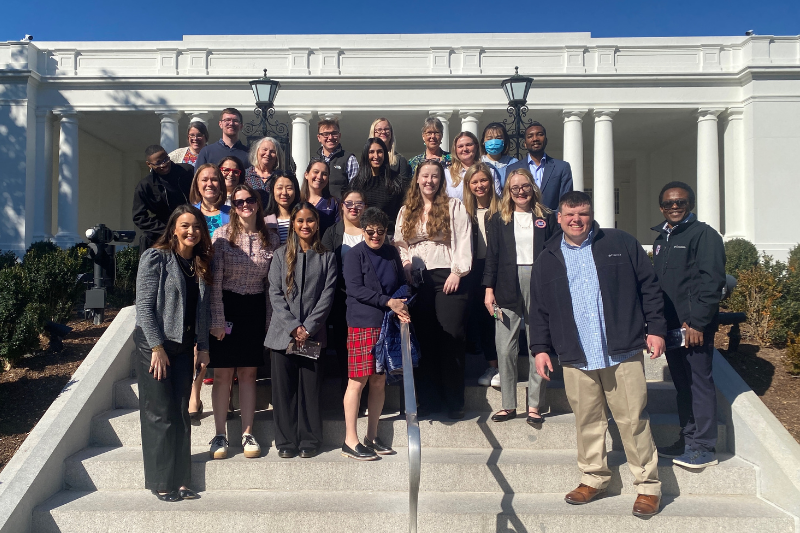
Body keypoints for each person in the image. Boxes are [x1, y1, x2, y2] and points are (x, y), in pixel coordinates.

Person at [531, 191, 666, 517]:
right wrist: (539, 349)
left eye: (583, 214)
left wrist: (657, 328)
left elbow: (649, 286)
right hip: (577, 355)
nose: (576, 220)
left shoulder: (620, 242)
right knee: (588, 421)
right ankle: (593, 479)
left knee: (633, 420)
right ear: (559, 218)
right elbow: (538, 309)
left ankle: (648, 487)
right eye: (570, 215)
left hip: (621, 350)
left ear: (591, 216)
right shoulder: (547, 256)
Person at [133, 204, 211, 502]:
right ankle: (161, 482)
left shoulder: (200, 263)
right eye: (185, 225)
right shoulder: (156, 257)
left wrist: (202, 347)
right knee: (159, 413)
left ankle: (181, 480)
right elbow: (144, 307)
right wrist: (156, 347)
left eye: (196, 226)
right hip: (155, 346)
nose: (191, 231)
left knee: (180, 413)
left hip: (183, 346)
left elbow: (202, 311)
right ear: (174, 228)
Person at [652, 181, 726, 469]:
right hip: (670, 327)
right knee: (683, 385)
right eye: (669, 203)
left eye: (680, 202)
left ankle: (704, 448)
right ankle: (688, 438)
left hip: (694, 328)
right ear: (661, 207)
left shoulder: (704, 235)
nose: (674, 207)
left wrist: (697, 322)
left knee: (699, 384)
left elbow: (711, 282)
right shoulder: (662, 239)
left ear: (690, 205)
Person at [207, 184, 280, 460]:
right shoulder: (222, 235)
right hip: (228, 308)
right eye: (238, 202)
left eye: (250, 200)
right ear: (233, 206)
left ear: (258, 203)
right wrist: (216, 318)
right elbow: (214, 284)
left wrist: (271, 322)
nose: (245, 205)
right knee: (224, 373)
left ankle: (247, 432)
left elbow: (273, 285)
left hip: (255, 309)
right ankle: (220, 434)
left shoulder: (271, 239)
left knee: (249, 373)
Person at [394, 159, 472, 419]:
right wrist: (405, 263)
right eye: (425, 176)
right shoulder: (407, 210)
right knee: (424, 340)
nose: (429, 181)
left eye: (435, 177)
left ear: (441, 180)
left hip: (447, 277)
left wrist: (457, 271)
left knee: (451, 337)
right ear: (417, 179)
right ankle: (427, 400)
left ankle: (453, 402)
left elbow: (463, 240)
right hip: (418, 280)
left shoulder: (453, 206)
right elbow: (401, 243)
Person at [483, 168, 556, 424]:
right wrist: (488, 289)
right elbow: (492, 256)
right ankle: (508, 404)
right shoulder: (497, 218)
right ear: (508, 192)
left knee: (538, 344)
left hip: (539, 283)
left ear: (532, 187)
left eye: (525, 186)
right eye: (515, 188)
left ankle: (535, 405)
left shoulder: (547, 217)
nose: (520, 192)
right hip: (506, 283)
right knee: (505, 347)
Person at [265, 203, 337, 459]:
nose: (305, 225)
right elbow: (275, 293)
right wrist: (293, 326)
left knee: (310, 390)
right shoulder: (279, 255)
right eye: (300, 221)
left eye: (310, 221)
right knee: (284, 393)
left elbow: (327, 295)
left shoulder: (327, 257)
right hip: (282, 336)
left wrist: (309, 327)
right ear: (293, 224)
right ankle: (285, 441)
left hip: (312, 336)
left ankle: (309, 439)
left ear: (317, 224)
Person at [341, 207, 408, 460]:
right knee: (358, 381)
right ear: (363, 230)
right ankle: (350, 440)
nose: (376, 236)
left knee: (379, 380)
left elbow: (403, 282)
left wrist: (401, 301)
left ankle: (372, 435)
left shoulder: (392, 253)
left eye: (381, 231)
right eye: (370, 231)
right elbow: (355, 289)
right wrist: (388, 301)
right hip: (362, 323)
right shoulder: (353, 255)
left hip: (386, 323)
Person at [322, 190, 367, 395]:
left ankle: (363, 394)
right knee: (343, 346)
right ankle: (347, 390)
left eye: (358, 203)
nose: (353, 207)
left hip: (367, 302)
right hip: (341, 299)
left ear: (365, 207)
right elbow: (324, 265)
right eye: (349, 203)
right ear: (342, 206)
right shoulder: (332, 232)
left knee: (365, 350)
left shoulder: (370, 231)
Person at [461, 163, 501, 387]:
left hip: (499, 270)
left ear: (491, 182)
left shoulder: (504, 209)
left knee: (499, 317)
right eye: (474, 182)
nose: (479, 185)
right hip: (475, 271)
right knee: (483, 318)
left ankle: (505, 366)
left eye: (483, 180)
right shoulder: (465, 211)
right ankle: (492, 365)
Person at [132, 144, 193, 254]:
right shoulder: (145, 186)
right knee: (146, 237)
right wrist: (166, 229)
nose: (164, 164)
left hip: (190, 222)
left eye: (165, 159)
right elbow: (139, 217)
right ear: (149, 165)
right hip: (164, 229)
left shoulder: (187, 171)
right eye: (158, 163)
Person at [505, 122, 573, 211]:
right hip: (523, 220)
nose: (535, 139)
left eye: (540, 135)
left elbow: (566, 201)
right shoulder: (512, 169)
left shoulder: (562, 167)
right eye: (530, 136)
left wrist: (553, 220)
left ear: (546, 140)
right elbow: (509, 199)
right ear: (525, 143)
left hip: (552, 222)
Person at [347, 138, 408, 232]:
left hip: (389, 235)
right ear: (366, 155)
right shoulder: (356, 183)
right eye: (371, 152)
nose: (376, 156)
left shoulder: (396, 181)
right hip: (363, 234)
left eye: (380, 152)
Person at [444, 131, 501, 201]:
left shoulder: (490, 171)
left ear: (476, 146)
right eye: (460, 146)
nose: (465, 149)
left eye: (469, 145)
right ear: (455, 150)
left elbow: (497, 200)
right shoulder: (447, 174)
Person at [315, 118, 359, 199]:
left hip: (339, 209)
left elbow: (355, 189)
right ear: (319, 138)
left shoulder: (349, 159)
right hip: (317, 208)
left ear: (339, 136)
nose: (330, 137)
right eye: (326, 134)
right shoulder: (314, 161)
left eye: (334, 133)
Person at [300, 159, 339, 236]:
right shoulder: (297, 200)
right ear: (306, 174)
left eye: (324, 174)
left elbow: (338, 233)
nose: (319, 177)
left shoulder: (334, 203)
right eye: (316, 172)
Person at [190, 164, 230, 237]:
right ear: (197, 185)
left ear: (221, 184)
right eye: (204, 180)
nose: (209, 184)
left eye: (214, 179)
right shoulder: (189, 213)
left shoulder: (232, 213)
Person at [244, 136, 285, 205]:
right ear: (257, 151)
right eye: (264, 150)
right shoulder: (245, 174)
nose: (268, 154)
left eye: (272, 151)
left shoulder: (280, 177)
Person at [264, 171, 300, 245]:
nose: (284, 192)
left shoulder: (302, 218)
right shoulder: (265, 221)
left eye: (289, 188)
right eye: (279, 188)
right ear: (272, 190)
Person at [480, 122, 518, 188]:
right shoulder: (478, 162)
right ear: (483, 142)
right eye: (489, 139)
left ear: (505, 141)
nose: (494, 142)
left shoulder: (513, 163)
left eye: (498, 138)